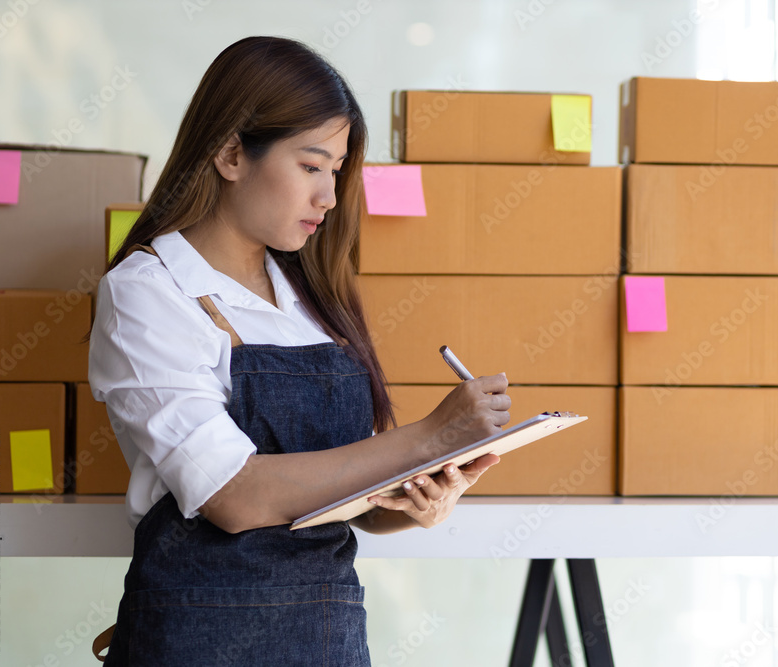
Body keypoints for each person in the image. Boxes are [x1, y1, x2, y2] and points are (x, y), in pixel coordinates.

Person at [87, 35, 510, 666]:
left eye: (336, 172)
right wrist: (426, 436)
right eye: (311, 166)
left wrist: (420, 496)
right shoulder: (147, 293)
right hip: (197, 643)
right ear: (232, 153)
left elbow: (354, 508)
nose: (329, 198)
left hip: (327, 638)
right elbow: (234, 496)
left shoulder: (311, 296)